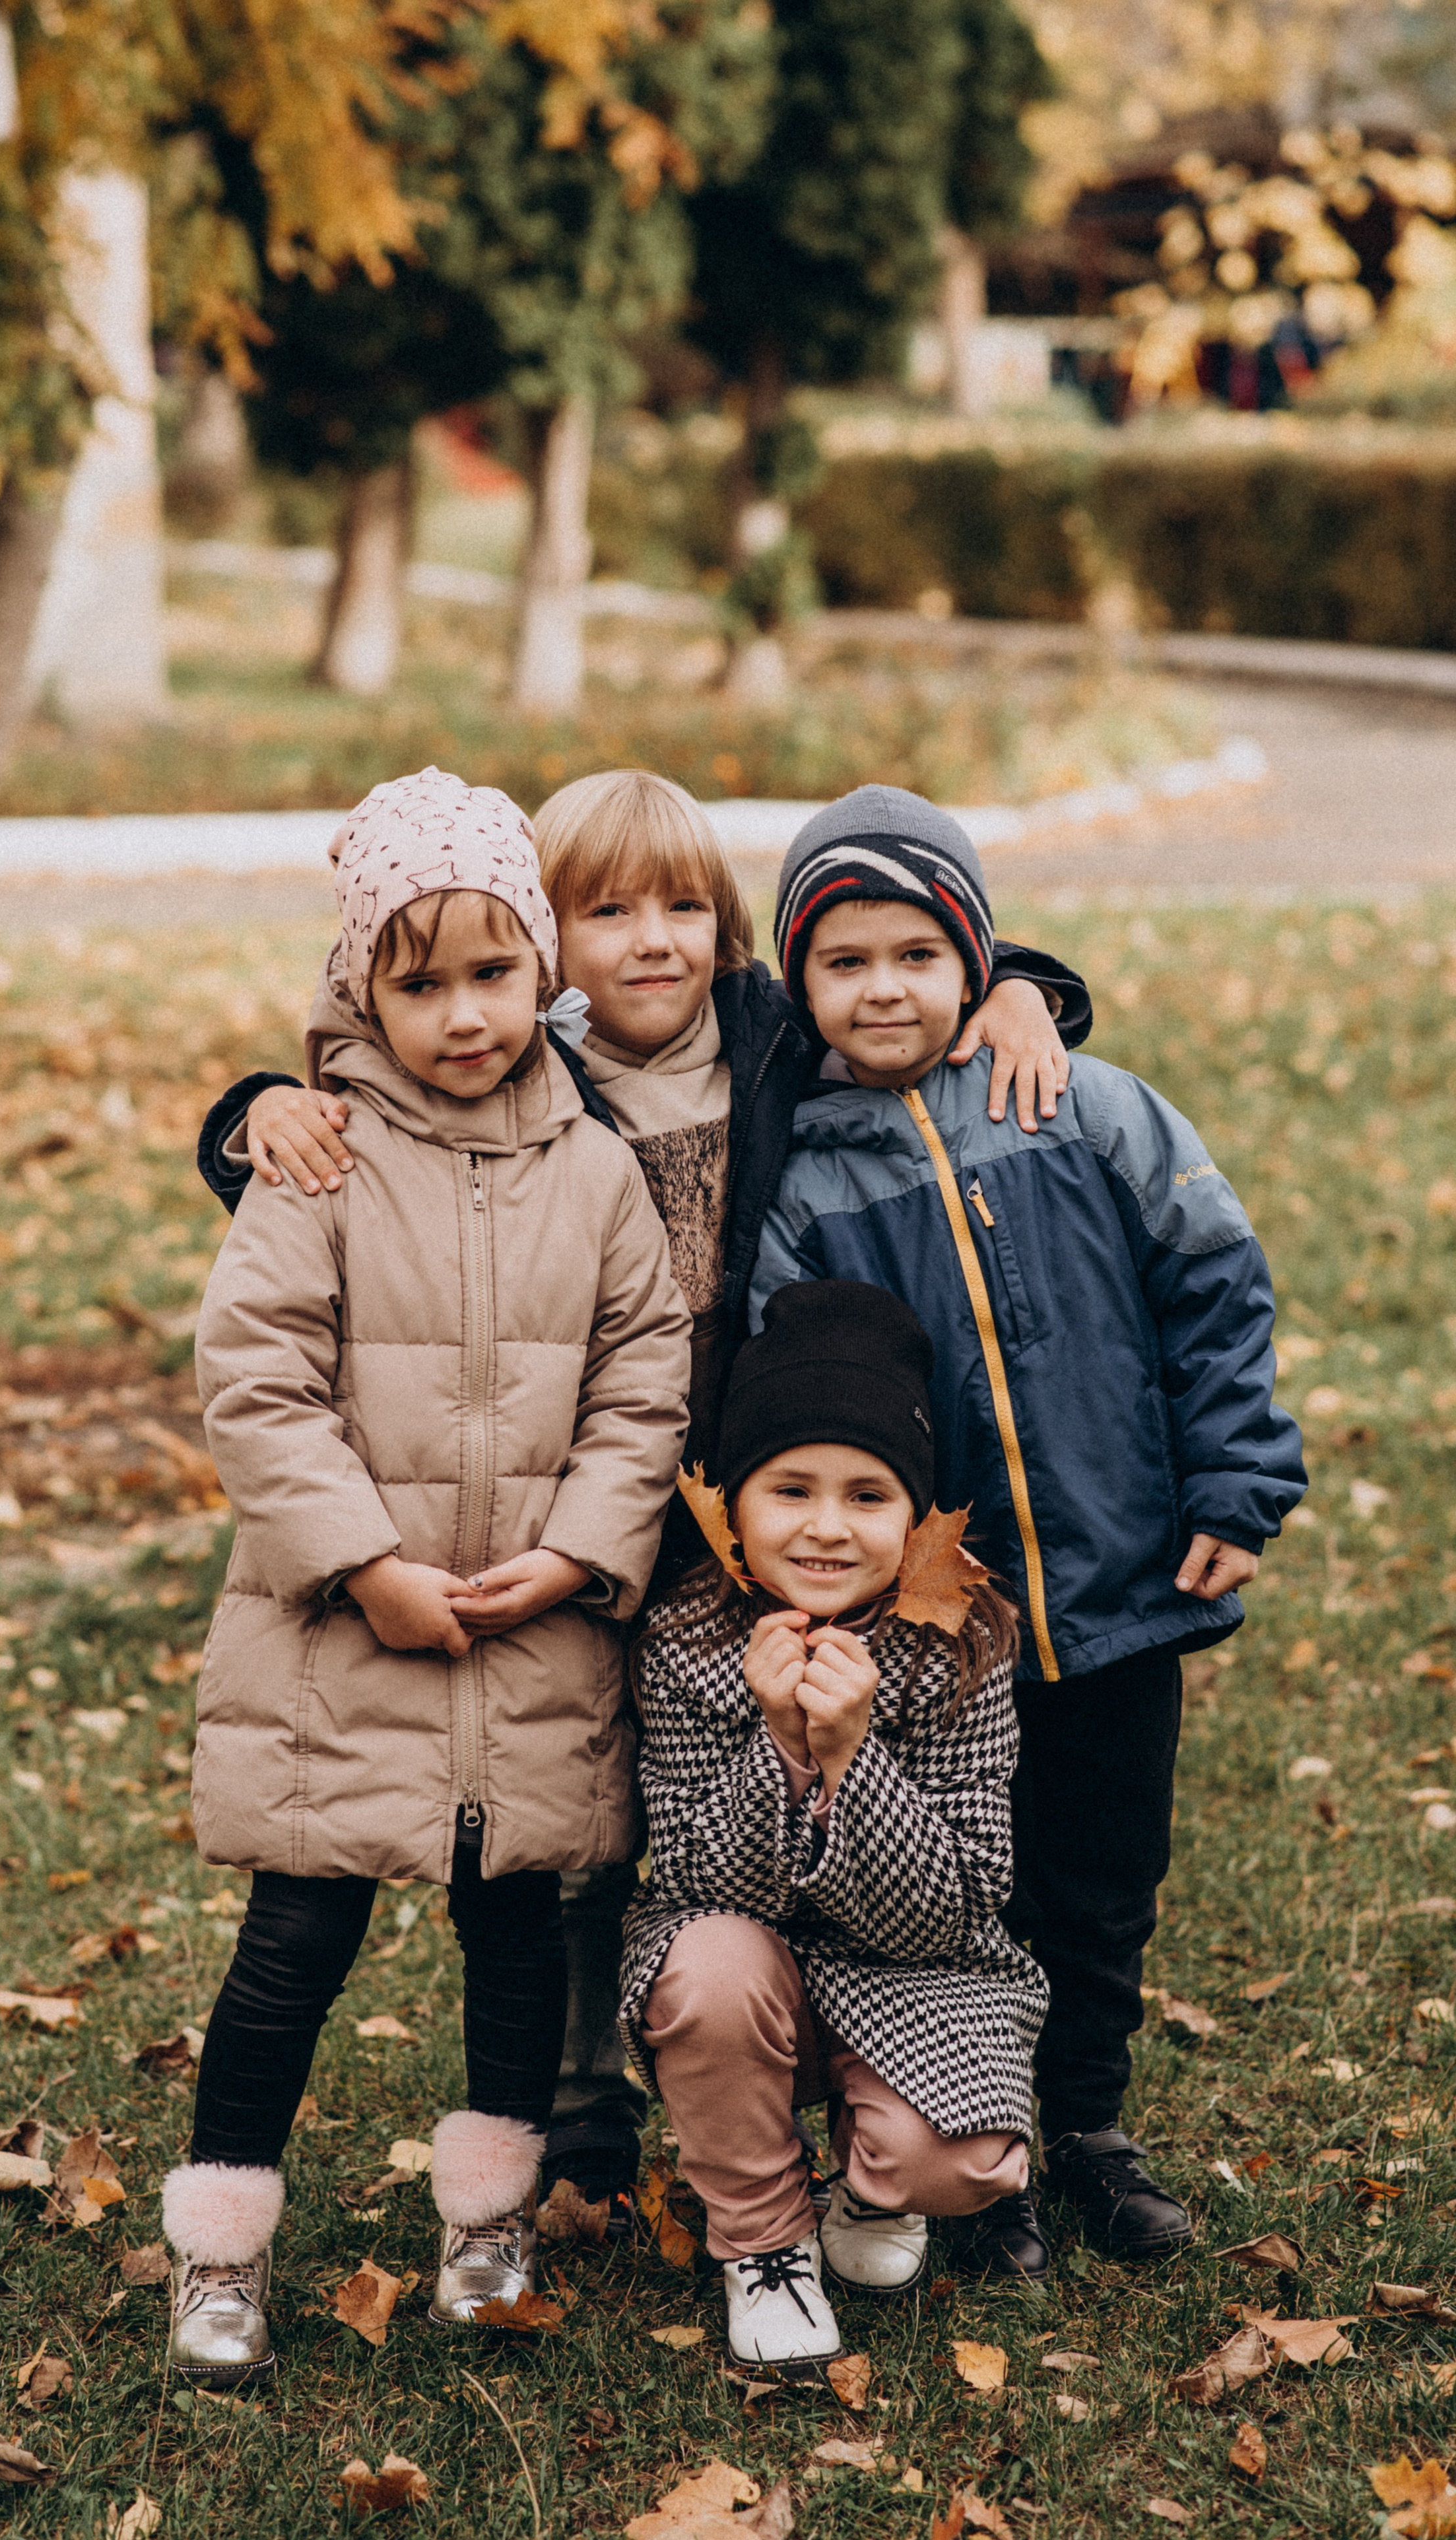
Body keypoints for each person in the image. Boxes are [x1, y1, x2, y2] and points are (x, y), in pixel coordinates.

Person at [187, 769, 1093, 2229]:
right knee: (586, 1821)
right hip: (559, 1500)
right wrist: (255, 1107)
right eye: (605, 911)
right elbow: (374, 1088)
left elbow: (884, 974)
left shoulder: (760, 1031)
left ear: (727, 931)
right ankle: (581, 2108)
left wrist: (1025, 990)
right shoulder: (532, 1061)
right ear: (555, 945)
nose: (651, 938)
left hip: (758, 1477)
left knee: (803, 1764)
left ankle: (891, 2083)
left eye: (684, 905)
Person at [161, 768, 690, 2385]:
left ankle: (486, 2219)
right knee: (292, 1946)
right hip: (348, 1641)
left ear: (542, 970)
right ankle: (220, 2247)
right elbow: (255, 1378)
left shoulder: (596, 1169)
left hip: (529, 1629)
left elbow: (641, 1372)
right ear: (360, 990)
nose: (463, 1014)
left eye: (491, 972)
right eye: (419, 981)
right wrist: (360, 1562)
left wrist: (584, 1550)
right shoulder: (316, 1159)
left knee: (512, 1939)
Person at [751, 784, 1307, 2280]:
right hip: (946, 1622)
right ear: (798, 986)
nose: (882, 987)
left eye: (917, 955)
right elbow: (797, 1398)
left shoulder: (1083, 1102)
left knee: (1102, 1868)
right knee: (972, 1891)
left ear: (975, 961)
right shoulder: (804, 1180)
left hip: (1121, 1573)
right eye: (843, 960)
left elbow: (1214, 1291)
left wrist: (1233, 1483)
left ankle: (1088, 2129)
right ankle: (981, 2159)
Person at [620, 1278, 1047, 2375]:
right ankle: (764, 2245)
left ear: (915, 1521)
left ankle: (871, 2189)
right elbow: (702, 1877)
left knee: (956, 2160)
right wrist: (779, 1742)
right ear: (732, 1507)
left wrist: (853, 1757)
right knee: (705, 1967)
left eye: (867, 1496)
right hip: (746, 1974)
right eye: (789, 1490)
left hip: (918, 1972)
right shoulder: (683, 1639)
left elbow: (953, 1911)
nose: (824, 1527)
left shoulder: (962, 1647)